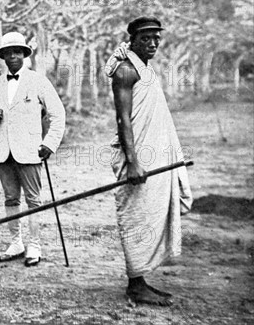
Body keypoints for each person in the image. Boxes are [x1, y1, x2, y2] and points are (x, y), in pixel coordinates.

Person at [108, 16, 193, 306]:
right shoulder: (125, 71)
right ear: (132, 40)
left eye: (156, 38)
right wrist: (132, 162)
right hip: (138, 157)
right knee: (137, 216)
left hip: (153, 154)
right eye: (146, 38)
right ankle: (135, 284)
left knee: (151, 212)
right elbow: (123, 120)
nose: (153, 43)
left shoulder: (147, 70)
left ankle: (140, 279)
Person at [0, 32, 66, 267]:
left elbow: (57, 114)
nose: (12, 56)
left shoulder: (38, 81)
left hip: (30, 150)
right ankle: (16, 242)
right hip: (4, 150)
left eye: (17, 52)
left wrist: (49, 144)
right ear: (2, 56)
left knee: (33, 199)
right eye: (8, 52)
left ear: (24, 54)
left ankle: (34, 246)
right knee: (11, 198)